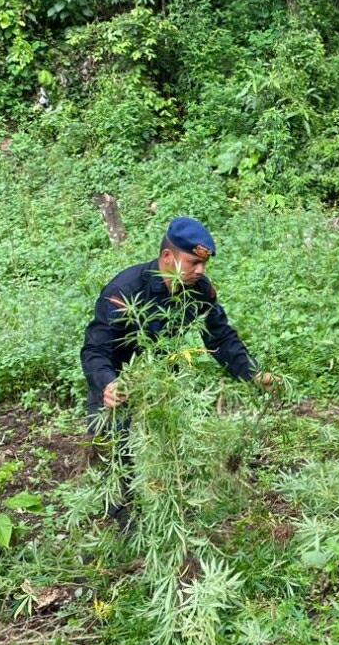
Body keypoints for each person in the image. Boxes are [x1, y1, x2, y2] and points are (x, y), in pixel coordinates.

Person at [81, 217, 272, 524]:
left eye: (203, 265)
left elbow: (220, 337)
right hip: (116, 381)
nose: (200, 271)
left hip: (160, 381)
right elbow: (95, 350)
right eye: (193, 262)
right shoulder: (124, 291)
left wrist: (252, 373)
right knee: (116, 453)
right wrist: (107, 384)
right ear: (168, 257)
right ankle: (125, 523)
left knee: (168, 449)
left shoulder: (198, 290)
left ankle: (172, 515)